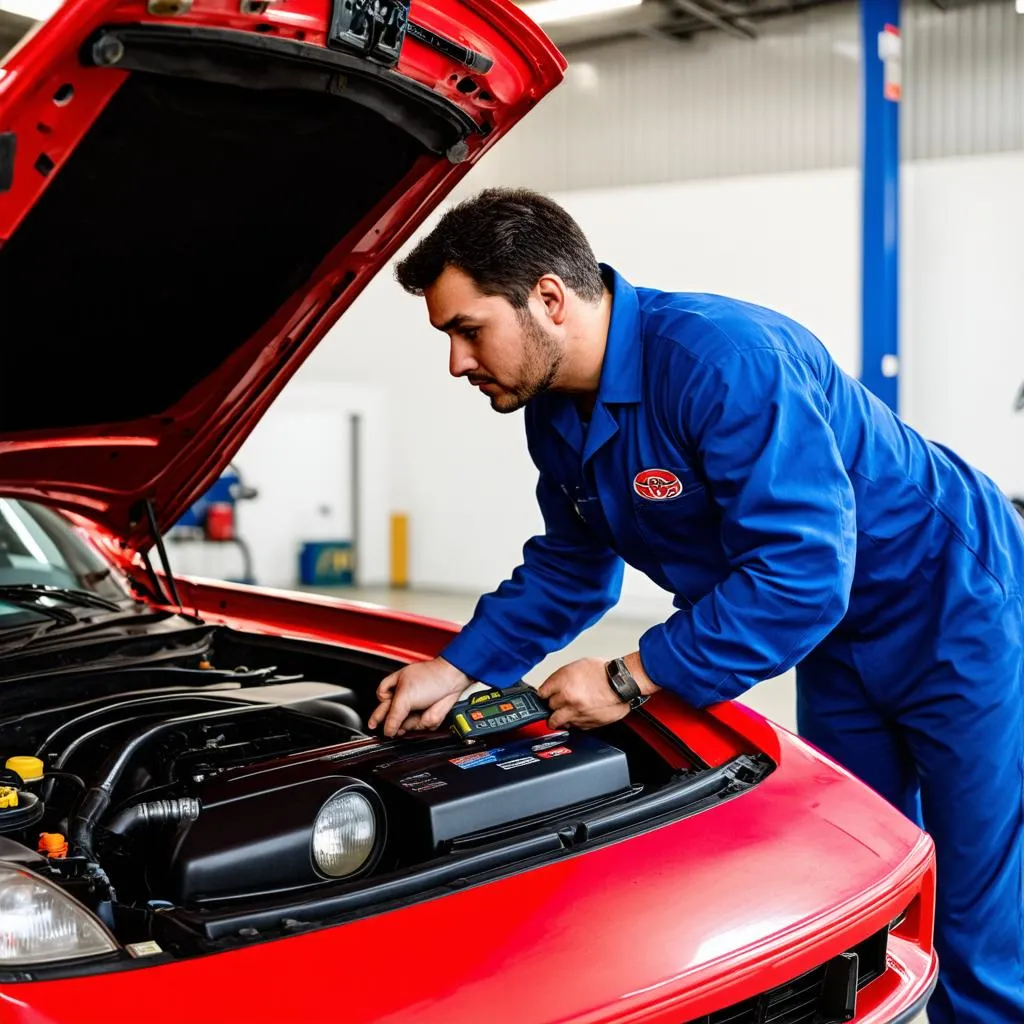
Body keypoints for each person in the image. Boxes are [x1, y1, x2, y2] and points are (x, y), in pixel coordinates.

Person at [367, 188, 1024, 1024]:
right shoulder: (556, 417)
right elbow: (574, 567)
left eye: (467, 329)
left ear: (548, 298)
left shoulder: (722, 359)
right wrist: (455, 667)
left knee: (975, 899)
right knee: (867, 865)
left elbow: (801, 571)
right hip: (830, 633)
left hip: (949, 600)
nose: (457, 363)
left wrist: (633, 674)